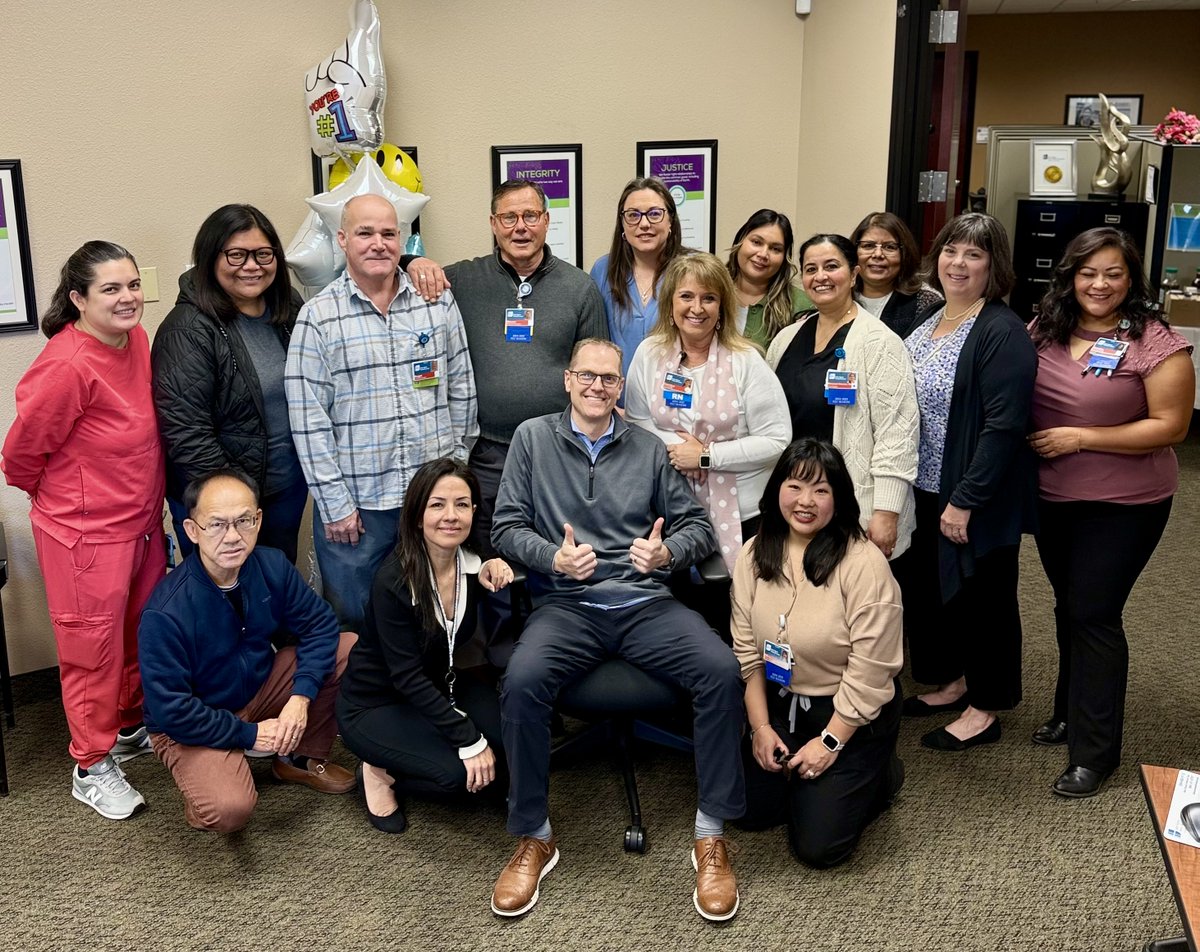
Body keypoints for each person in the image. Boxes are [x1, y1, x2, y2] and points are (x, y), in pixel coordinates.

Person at [489, 339, 745, 923]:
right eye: (587, 375)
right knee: (522, 681)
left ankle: (710, 835)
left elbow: (696, 528)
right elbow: (505, 527)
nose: (597, 387)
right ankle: (533, 835)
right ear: (567, 379)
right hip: (567, 605)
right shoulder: (532, 438)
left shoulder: (648, 448)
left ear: (619, 387)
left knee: (721, 670)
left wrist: (665, 554)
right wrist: (553, 558)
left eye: (608, 379)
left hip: (644, 603)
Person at [2, 241, 166, 820]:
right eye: (110, 289)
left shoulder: (136, 339)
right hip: (86, 536)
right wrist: (70, 504)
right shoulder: (67, 364)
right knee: (91, 649)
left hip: (141, 524)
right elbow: (19, 458)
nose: (127, 299)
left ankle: (126, 726)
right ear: (78, 298)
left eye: (132, 285)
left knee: (139, 632)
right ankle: (91, 764)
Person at [1027, 227, 1194, 798]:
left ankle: (1094, 753)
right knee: (1068, 605)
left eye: (1113, 274)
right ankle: (1068, 711)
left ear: (1131, 279)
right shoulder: (1044, 328)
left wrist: (1081, 437)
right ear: (1070, 277)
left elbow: (1172, 426)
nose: (1099, 284)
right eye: (1088, 272)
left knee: (1094, 612)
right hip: (1054, 498)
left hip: (1126, 503)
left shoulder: (1155, 341)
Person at [285, 194, 478, 633]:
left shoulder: (436, 303)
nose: (378, 243)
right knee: (357, 619)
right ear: (342, 240)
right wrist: (334, 503)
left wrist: (454, 473)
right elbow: (309, 421)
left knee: (432, 613)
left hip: (429, 499)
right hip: (359, 508)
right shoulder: (318, 317)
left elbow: (461, 390)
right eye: (365, 233)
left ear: (402, 240)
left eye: (388, 233)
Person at [138, 469, 357, 832]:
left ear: (258, 519)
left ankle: (298, 758)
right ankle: (209, 778)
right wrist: (250, 735)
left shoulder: (272, 565)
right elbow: (172, 711)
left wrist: (300, 698)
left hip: (257, 688)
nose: (233, 536)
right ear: (192, 530)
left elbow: (319, 625)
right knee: (229, 810)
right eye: (216, 525)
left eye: (243, 521)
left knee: (347, 649)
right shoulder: (165, 612)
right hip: (193, 720)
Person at [401, 180, 607, 559]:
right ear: (493, 224)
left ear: (546, 221)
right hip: (486, 454)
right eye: (509, 217)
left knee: (554, 549)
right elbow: (389, 274)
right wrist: (411, 261)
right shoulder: (462, 280)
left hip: (557, 451)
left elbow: (597, 376)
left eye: (530, 216)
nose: (520, 227)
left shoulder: (580, 289)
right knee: (488, 555)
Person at [898, 213, 1038, 751]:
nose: (958, 263)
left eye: (974, 254)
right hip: (926, 484)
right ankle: (956, 682)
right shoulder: (932, 317)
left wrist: (966, 499)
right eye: (951, 251)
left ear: (993, 265)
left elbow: (1004, 426)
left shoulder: (1002, 331)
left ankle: (986, 707)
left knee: (985, 599)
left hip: (973, 492)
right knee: (941, 593)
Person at [732, 439, 903, 867]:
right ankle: (814, 782)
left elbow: (870, 673)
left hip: (847, 711)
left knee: (819, 848)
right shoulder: (754, 552)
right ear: (777, 490)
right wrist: (760, 728)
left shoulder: (864, 565)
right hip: (780, 701)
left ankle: (882, 774)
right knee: (748, 812)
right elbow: (748, 655)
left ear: (838, 499)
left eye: (821, 490)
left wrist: (829, 742)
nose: (805, 501)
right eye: (794, 486)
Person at [337, 458, 514, 832]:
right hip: (378, 701)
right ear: (418, 516)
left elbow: (481, 568)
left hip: (440, 684)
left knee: (511, 744)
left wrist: (493, 565)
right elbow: (406, 677)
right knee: (456, 776)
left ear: (473, 511)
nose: (451, 516)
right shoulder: (393, 581)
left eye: (461, 504)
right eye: (437, 505)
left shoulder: (471, 563)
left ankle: (430, 749)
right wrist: (469, 739)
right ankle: (380, 771)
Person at [152, 204, 308, 564]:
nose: (252, 266)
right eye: (236, 255)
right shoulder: (187, 328)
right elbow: (187, 433)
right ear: (210, 257)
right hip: (221, 507)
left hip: (284, 489)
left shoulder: (289, 309)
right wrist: (236, 504)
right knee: (225, 594)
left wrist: (408, 263)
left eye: (263, 254)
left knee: (273, 586)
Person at [625, 251, 791, 573]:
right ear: (670, 304)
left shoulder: (747, 360)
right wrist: (680, 451)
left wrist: (706, 457)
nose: (697, 308)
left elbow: (777, 440)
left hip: (745, 516)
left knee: (734, 596)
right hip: (670, 510)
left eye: (709, 298)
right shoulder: (649, 353)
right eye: (686, 296)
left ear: (722, 307)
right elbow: (636, 421)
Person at [766, 234, 919, 561]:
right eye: (811, 269)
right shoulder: (785, 339)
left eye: (831, 266)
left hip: (853, 507)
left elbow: (897, 433)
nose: (820, 276)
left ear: (853, 274)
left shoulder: (879, 342)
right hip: (795, 504)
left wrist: (887, 511)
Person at [589, 177, 684, 379]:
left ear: (670, 221)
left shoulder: (692, 270)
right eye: (633, 215)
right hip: (617, 395)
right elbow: (594, 343)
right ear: (622, 224)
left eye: (655, 214)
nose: (644, 224)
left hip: (676, 392)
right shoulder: (603, 270)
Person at [725, 208, 812, 349]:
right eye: (756, 242)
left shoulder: (801, 307)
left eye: (775, 249)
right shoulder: (710, 292)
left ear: (785, 257)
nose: (763, 254)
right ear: (740, 241)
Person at [849, 211, 942, 339]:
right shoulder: (840, 295)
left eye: (889, 247)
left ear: (904, 254)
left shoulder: (925, 301)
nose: (878, 254)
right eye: (868, 246)